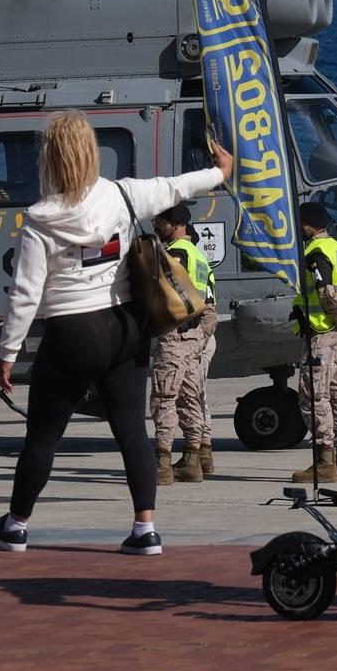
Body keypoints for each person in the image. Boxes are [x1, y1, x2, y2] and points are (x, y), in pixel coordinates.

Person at [0, 113, 232, 556]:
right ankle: (144, 530)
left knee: (43, 435)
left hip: (72, 332)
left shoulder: (39, 219)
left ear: (51, 160)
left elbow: (25, 292)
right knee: (132, 429)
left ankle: (15, 525)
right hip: (125, 326)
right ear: (91, 153)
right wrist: (219, 172)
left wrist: (7, 352)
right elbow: (176, 187)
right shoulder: (121, 194)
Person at [291, 200, 337, 484]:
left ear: (312, 224)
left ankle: (324, 462)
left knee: (313, 397)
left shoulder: (316, 252)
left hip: (322, 333)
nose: (298, 229)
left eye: (301, 223)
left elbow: (328, 294)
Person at [150, 202, 215, 485]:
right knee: (191, 399)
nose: (156, 226)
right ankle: (192, 460)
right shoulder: (199, 257)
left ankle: (161, 463)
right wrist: (200, 339)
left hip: (175, 337)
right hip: (194, 339)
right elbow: (210, 308)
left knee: (164, 399)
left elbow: (165, 294)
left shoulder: (175, 253)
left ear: (175, 223)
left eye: (161, 222)